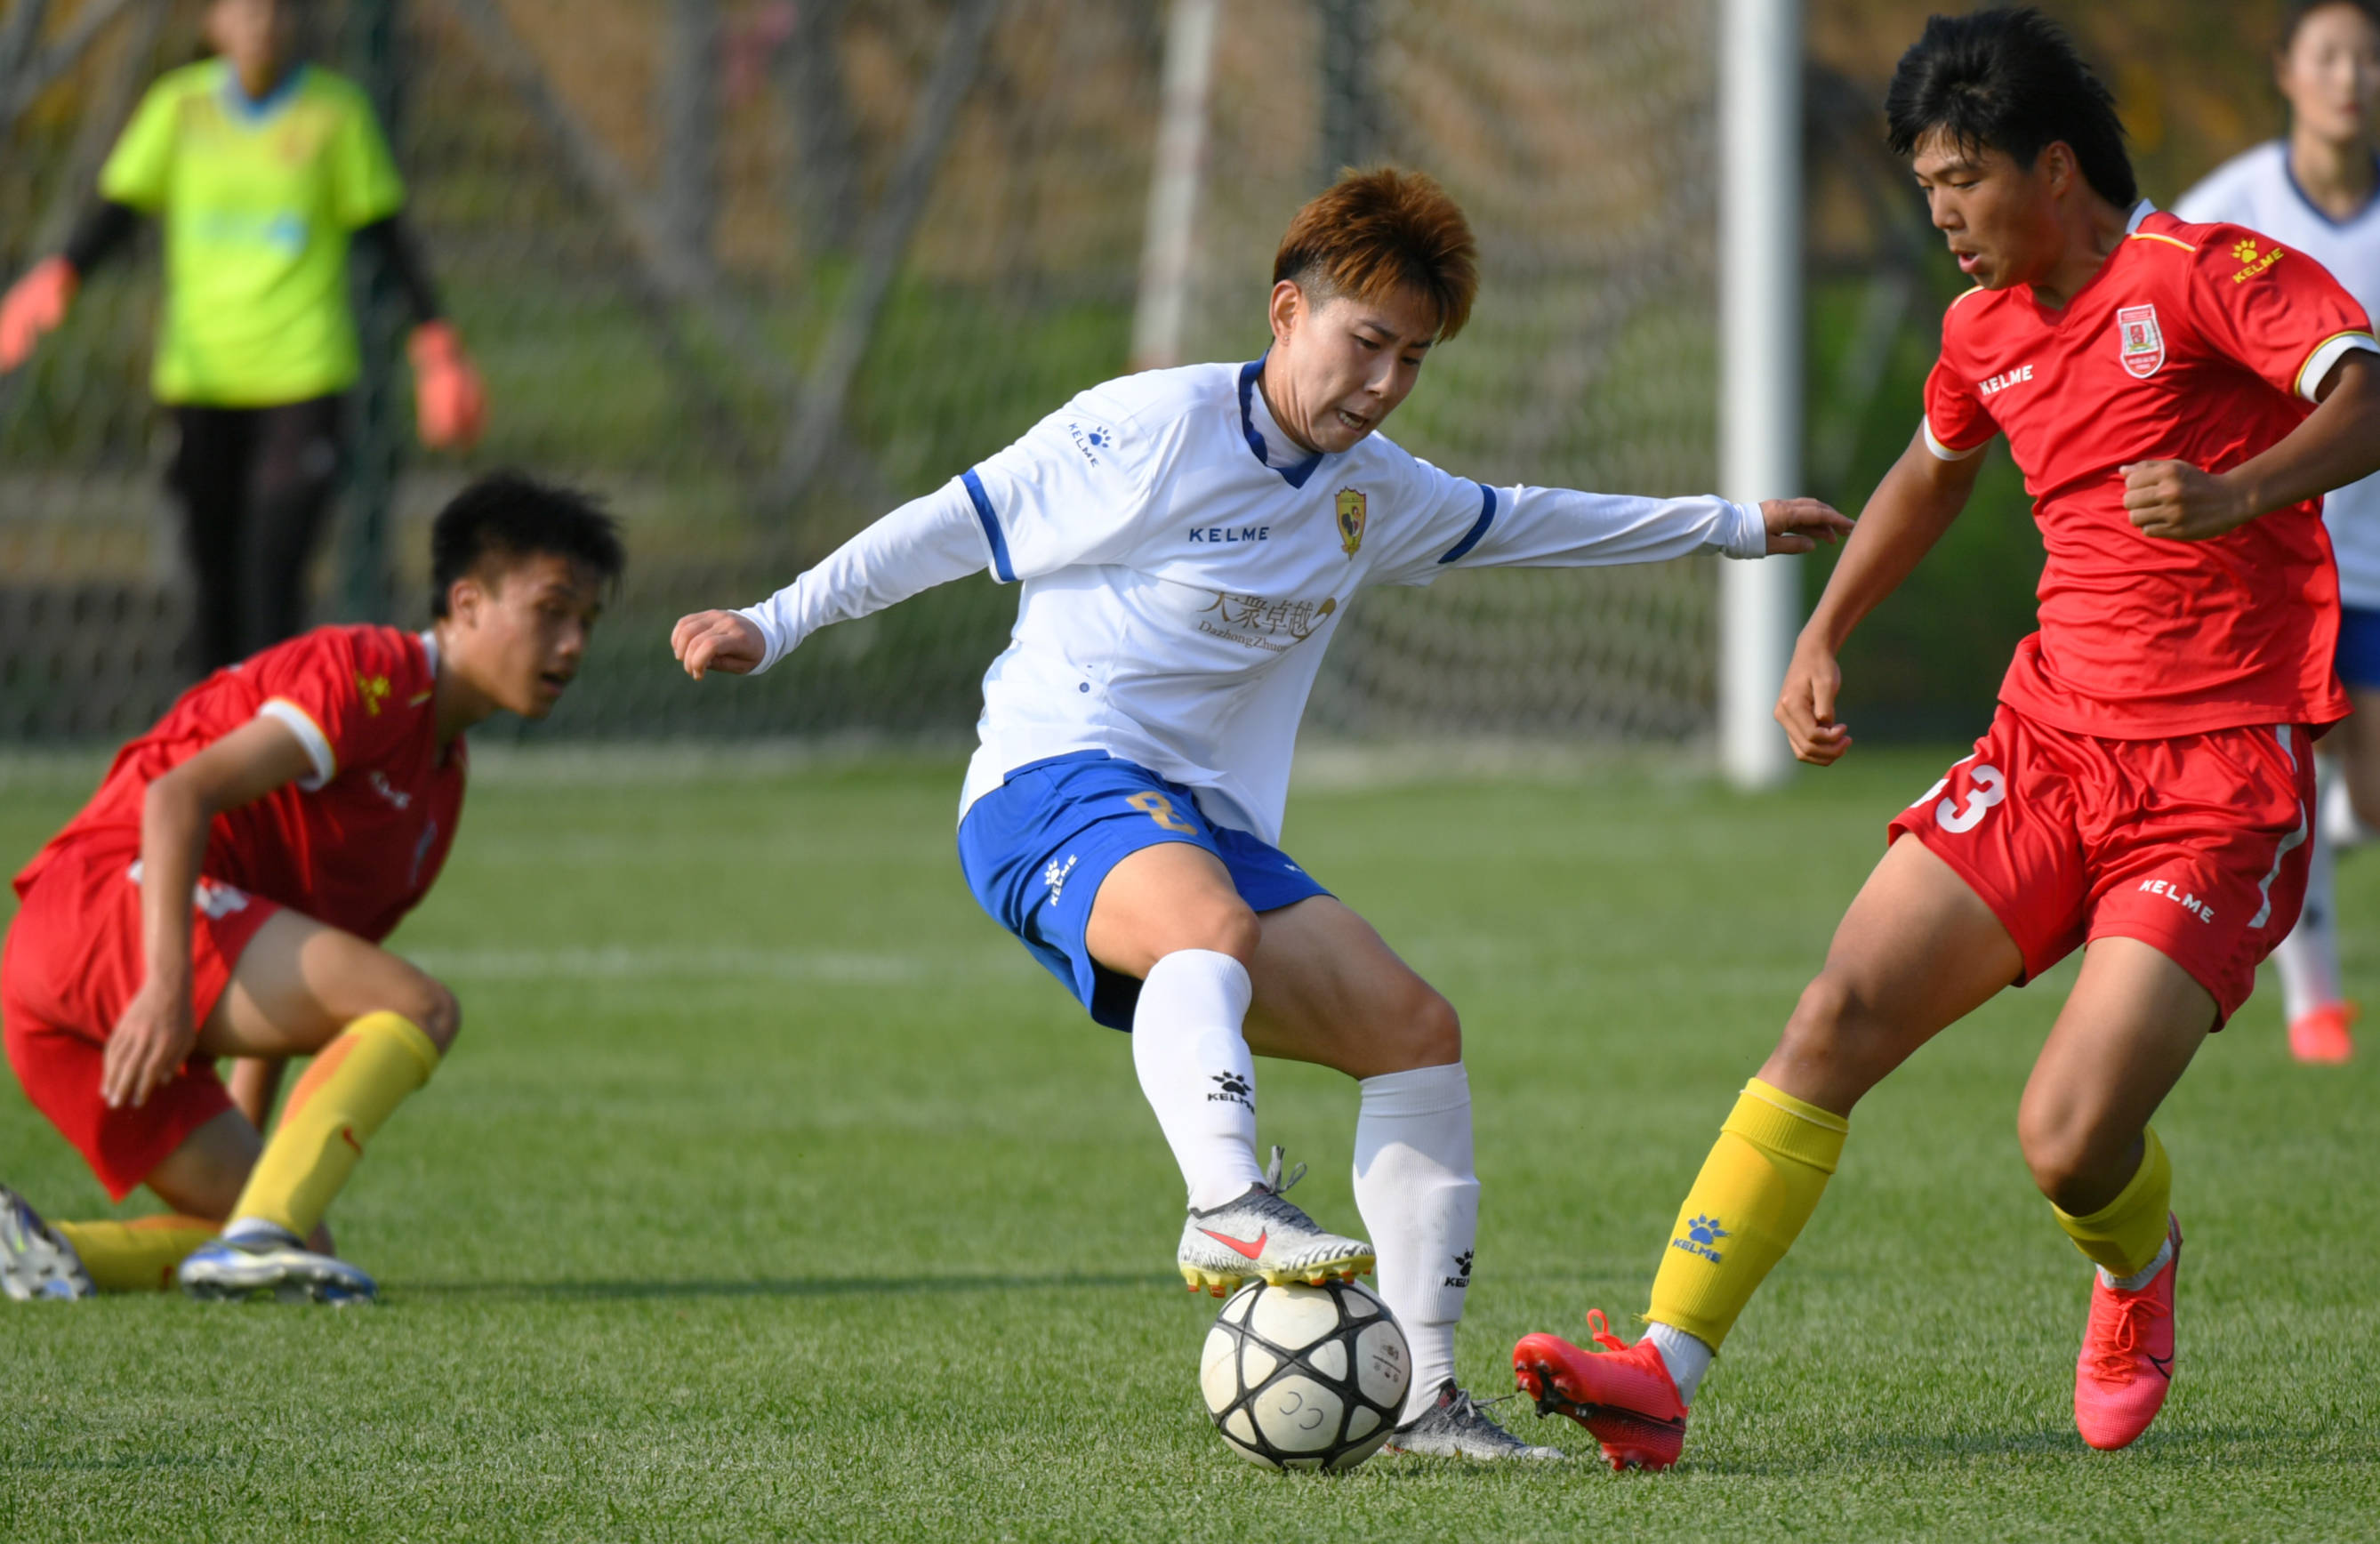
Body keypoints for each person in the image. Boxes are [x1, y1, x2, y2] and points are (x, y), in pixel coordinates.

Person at [671, 166, 1849, 1460]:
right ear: (1287, 311)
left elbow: (1527, 522)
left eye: (1412, 358)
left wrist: (1732, 527)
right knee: (1208, 925)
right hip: (1046, 784)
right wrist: (771, 623)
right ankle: (1226, 1202)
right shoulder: (1151, 429)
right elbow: (948, 526)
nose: (1386, 382)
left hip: (1201, 820)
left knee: (1414, 1031)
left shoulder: (1374, 489)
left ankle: (1419, 1401)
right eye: (1366, 342)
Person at [1512, 6, 2380, 1468]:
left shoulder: (2208, 271)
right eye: (1923, 191)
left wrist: (2239, 494)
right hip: (2046, 748)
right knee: (1830, 1016)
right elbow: (1929, 471)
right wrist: (1820, 630)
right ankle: (1659, 1369)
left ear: (2051, 167)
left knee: (2066, 1138)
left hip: (2216, 780)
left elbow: (2365, 394)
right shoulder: (1983, 330)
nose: (1943, 218)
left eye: (1958, 183)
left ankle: (2132, 1265)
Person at [0, 473, 621, 1305]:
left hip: (54, 988)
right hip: (106, 905)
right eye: (552, 610)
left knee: (291, 1219)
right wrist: (166, 988)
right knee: (423, 1007)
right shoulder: (373, 674)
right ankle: (253, 1240)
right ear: (466, 603)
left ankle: (53, 1251)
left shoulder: (437, 794)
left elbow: (294, 985)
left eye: (587, 621)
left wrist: (262, 1184)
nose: (574, 643)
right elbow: (175, 796)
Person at [0, 0, 486, 674]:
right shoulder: (180, 109)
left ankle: (271, 753)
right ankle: (210, 749)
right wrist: (57, 277)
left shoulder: (334, 113)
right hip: (200, 379)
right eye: (247, 10)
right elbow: (117, 211)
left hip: (303, 376)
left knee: (274, 573)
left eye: (277, 11)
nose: (263, 23)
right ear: (213, 23)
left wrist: (437, 343)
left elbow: (386, 235)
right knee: (211, 580)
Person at [2175, 0, 2380, 1064]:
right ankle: (2316, 1009)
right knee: (2287, 786)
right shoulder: (2233, 209)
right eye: (2330, 56)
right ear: (2287, 73)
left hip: (2377, 560)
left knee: (2366, 796)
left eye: (2368, 57)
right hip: (2274, 556)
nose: (2352, 77)